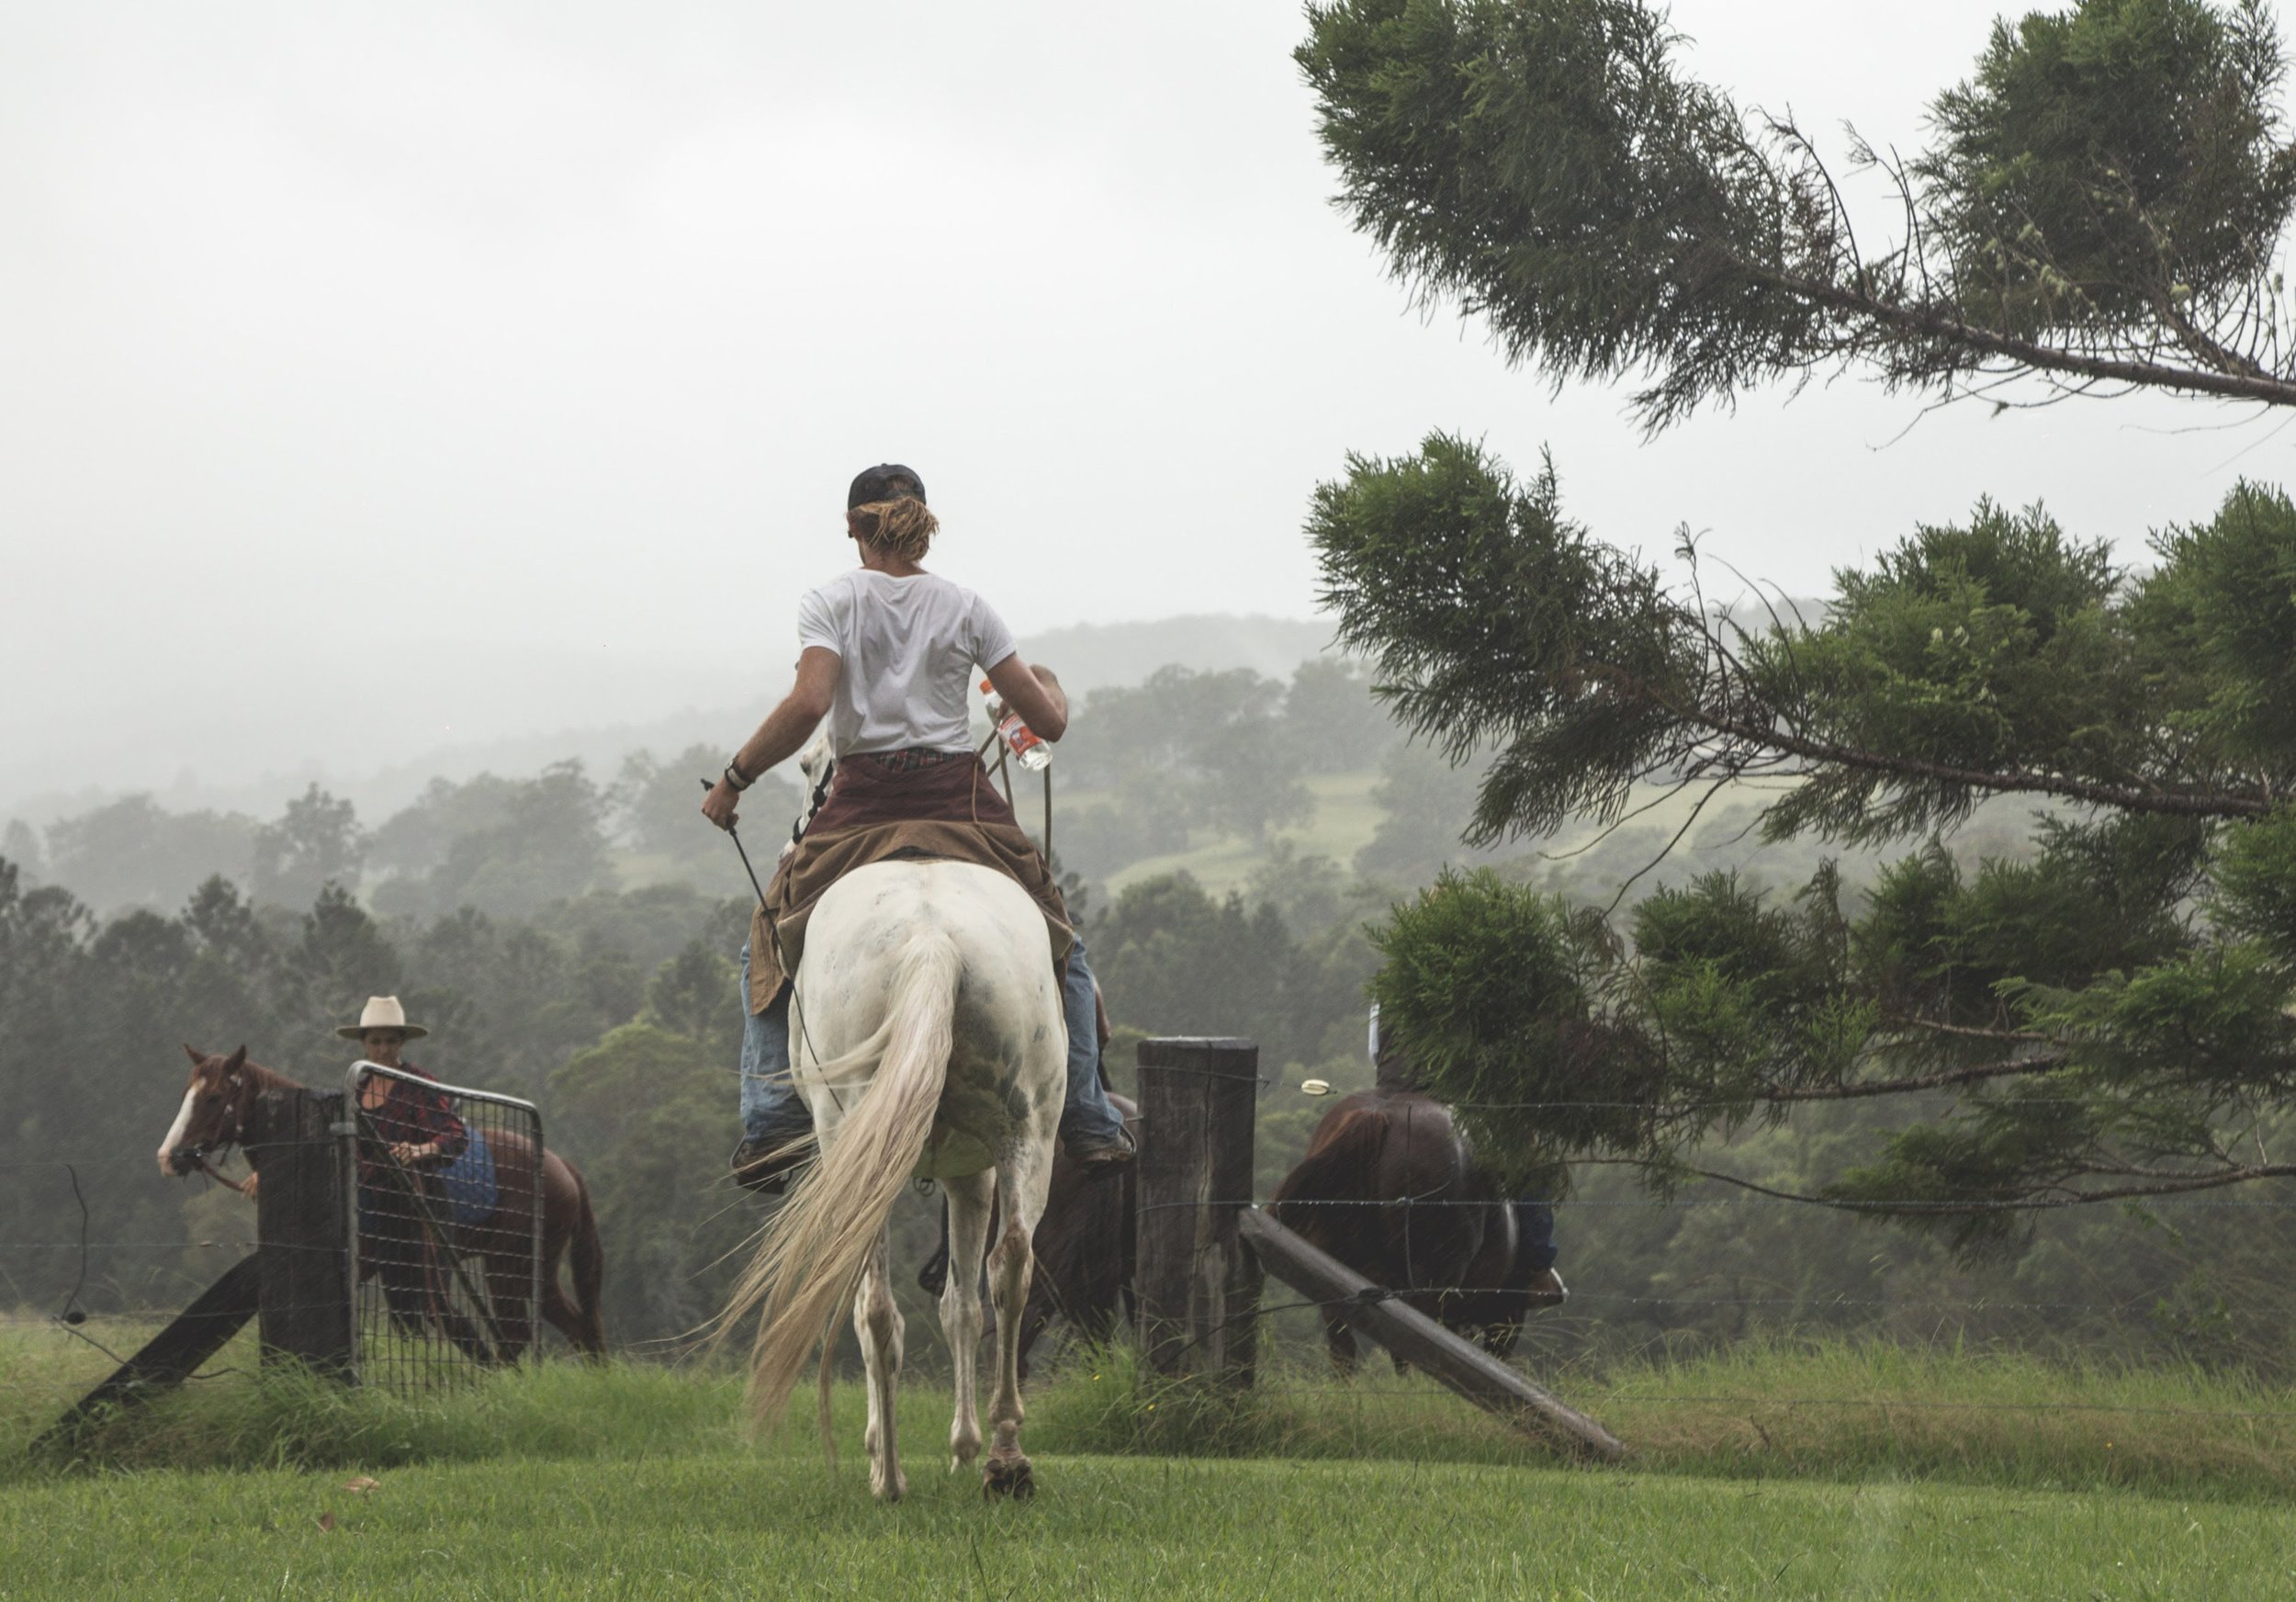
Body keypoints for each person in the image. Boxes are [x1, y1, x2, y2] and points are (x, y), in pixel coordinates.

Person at [703, 463, 1132, 1195]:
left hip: (862, 803)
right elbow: (1048, 720)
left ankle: (773, 1120)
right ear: (923, 523)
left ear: (851, 527)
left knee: (772, 936)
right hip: (959, 804)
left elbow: (810, 705)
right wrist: (1049, 687)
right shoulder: (968, 606)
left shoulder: (830, 602)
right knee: (1063, 939)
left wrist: (735, 779)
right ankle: (1088, 1115)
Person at [340, 995, 482, 1346]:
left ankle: (491, 1372)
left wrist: (422, 1149)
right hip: (381, 1204)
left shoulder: (419, 1084)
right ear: (364, 1044)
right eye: (375, 1041)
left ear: (401, 1042)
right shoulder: (355, 1089)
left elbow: (455, 1134)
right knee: (400, 1307)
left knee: (437, 1305)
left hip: (423, 1202)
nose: (383, 1049)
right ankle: (419, 1379)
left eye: (391, 1041)